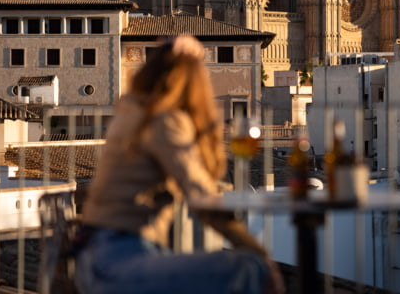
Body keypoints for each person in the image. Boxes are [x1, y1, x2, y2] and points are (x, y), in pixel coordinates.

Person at [75, 35, 284, 294]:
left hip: (98, 254)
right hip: (117, 259)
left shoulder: (130, 111)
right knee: (249, 268)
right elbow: (202, 196)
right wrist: (261, 255)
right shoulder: (163, 121)